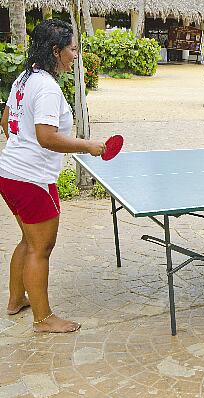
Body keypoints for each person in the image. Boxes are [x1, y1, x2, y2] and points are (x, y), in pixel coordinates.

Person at [0, 19, 106, 332]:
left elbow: (6, 120)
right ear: (56, 50)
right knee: (40, 248)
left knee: (28, 240)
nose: (75, 55)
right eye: (72, 49)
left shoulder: (25, 76)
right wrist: (88, 146)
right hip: (31, 181)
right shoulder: (46, 86)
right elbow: (46, 137)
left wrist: (20, 150)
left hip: (10, 174)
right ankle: (43, 319)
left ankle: (15, 300)